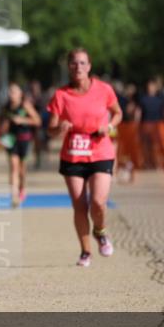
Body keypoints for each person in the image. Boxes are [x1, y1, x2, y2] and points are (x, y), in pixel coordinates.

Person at [47, 48, 123, 267]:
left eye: (82, 63)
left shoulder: (104, 89)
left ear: (89, 66)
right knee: (80, 205)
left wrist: (108, 126)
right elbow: (50, 129)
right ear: (69, 67)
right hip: (73, 155)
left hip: (100, 151)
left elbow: (118, 113)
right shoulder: (61, 95)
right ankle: (86, 251)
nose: (78, 67)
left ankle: (100, 231)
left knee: (98, 201)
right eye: (74, 63)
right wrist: (59, 127)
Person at [0, 82, 42, 206]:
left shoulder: (25, 105)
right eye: (10, 91)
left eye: (14, 91)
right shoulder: (6, 107)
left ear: (20, 94)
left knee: (22, 170)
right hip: (11, 140)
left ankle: (22, 188)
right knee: (13, 167)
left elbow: (37, 121)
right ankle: (14, 195)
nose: (11, 94)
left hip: (25, 140)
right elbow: (3, 125)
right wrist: (3, 130)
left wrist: (22, 120)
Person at [135, 78, 164, 169]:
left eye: (152, 86)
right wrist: (136, 124)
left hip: (157, 126)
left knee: (156, 146)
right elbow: (138, 112)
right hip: (145, 125)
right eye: (149, 86)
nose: (150, 88)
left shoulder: (160, 100)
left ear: (155, 88)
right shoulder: (143, 99)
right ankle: (147, 163)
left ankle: (157, 163)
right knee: (146, 146)